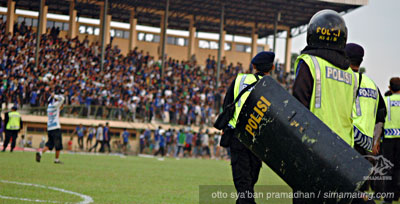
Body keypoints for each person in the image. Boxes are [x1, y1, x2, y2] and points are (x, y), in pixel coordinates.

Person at [292, 10, 359, 203]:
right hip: (344, 151)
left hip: (315, 147)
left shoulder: (310, 63)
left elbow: (299, 104)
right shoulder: (352, 76)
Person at [221, 51, 275, 204]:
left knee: (243, 183)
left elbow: (227, 105)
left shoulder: (240, 79)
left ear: (253, 66)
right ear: (272, 67)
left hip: (237, 137)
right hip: (257, 140)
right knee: (250, 180)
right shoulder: (273, 88)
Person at [345, 43, 387, 155]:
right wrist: (376, 142)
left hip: (350, 140)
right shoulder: (372, 84)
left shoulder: (344, 79)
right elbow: (381, 116)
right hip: (367, 146)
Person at [382, 77, 400, 204]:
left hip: (388, 139)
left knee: (388, 169)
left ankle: (388, 198)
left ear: (389, 88)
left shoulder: (385, 101)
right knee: (399, 169)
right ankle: (396, 195)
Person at [36, 93, 65, 163]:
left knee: (50, 144)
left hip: (50, 128)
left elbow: (57, 110)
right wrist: (54, 95)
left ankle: (40, 153)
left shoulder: (49, 107)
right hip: (56, 128)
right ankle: (56, 159)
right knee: (58, 145)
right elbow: (62, 99)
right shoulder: (55, 105)